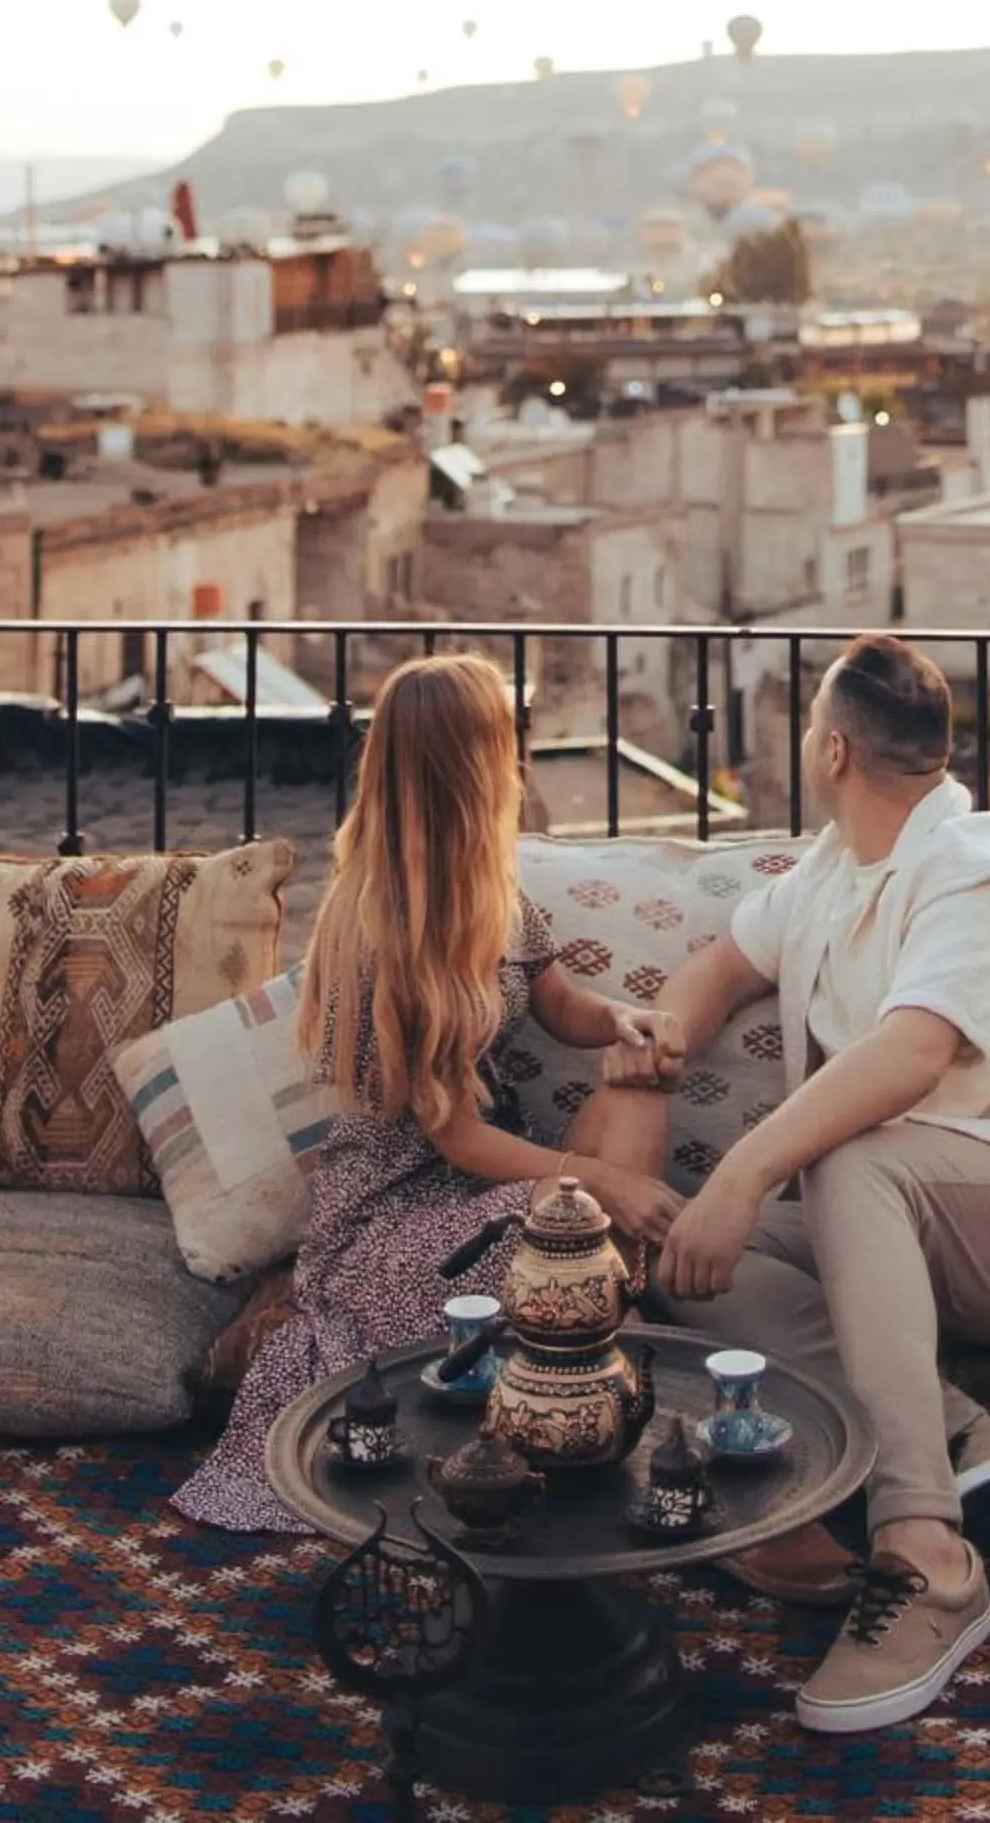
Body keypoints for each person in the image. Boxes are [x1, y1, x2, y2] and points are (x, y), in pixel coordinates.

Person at [604, 633, 990, 1735]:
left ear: (833, 749)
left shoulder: (971, 870)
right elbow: (725, 963)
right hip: (919, 1227)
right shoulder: (834, 866)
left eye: (810, 730)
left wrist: (748, 1171)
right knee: (684, 1257)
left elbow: (910, 1058)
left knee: (852, 1156)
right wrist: (668, 1035)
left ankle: (927, 1556)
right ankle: (967, 1433)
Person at [174, 654, 688, 1537]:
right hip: (396, 1216)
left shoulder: (491, 886)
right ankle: (618, 1389)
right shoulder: (377, 924)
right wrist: (609, 1187)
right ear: (472, 764)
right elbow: (456, 1141)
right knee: (569, 1224)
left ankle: (596, 1363)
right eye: (505, 745)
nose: (519, 764)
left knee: (636, 1098)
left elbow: (559, 1003)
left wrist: (629, 1022)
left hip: (487, 1182)